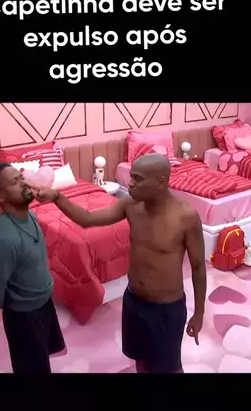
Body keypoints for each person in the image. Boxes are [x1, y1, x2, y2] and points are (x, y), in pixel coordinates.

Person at [32, 153, 206, 373]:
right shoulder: (130, 206)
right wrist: (57, 197)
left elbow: (198, 266)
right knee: (140, 360)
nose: (130, 183)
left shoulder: (186, 217)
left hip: (165, 309)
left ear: (161, 182)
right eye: (131, 176)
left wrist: (199, 313)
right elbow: (87, 219)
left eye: (138, 179)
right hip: (134, 301)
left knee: (169, 368)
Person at [0, 163, 66, 374]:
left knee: (41, 354)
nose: (24, 183)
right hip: (24, 314)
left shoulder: (30, 216)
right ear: (0, 196)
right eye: (15, 182)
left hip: (43, 301)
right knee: (31, 366)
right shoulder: (4, 239)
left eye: (21, 177)